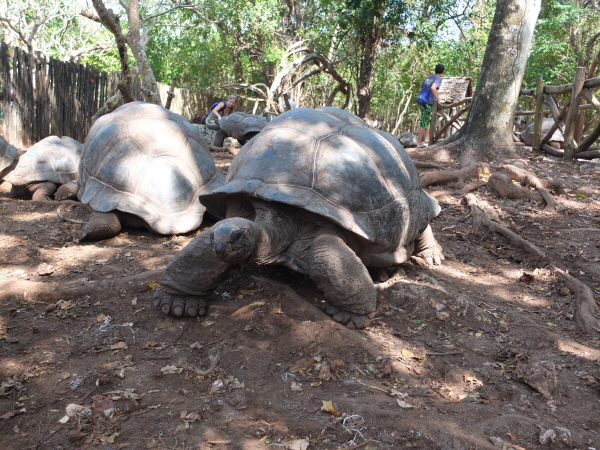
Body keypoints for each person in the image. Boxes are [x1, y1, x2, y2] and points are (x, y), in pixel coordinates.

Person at [416, 64, 444, 148]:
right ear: (442, 72)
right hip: (428, 102)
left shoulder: (428, 78)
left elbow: (420, 90)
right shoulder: (438, 79)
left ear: (435, 70)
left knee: (426, 120)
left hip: (421, 100)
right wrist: (438, 98)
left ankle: (426, 139)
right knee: (424, 122)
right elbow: (433, 88)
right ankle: (419, 143)